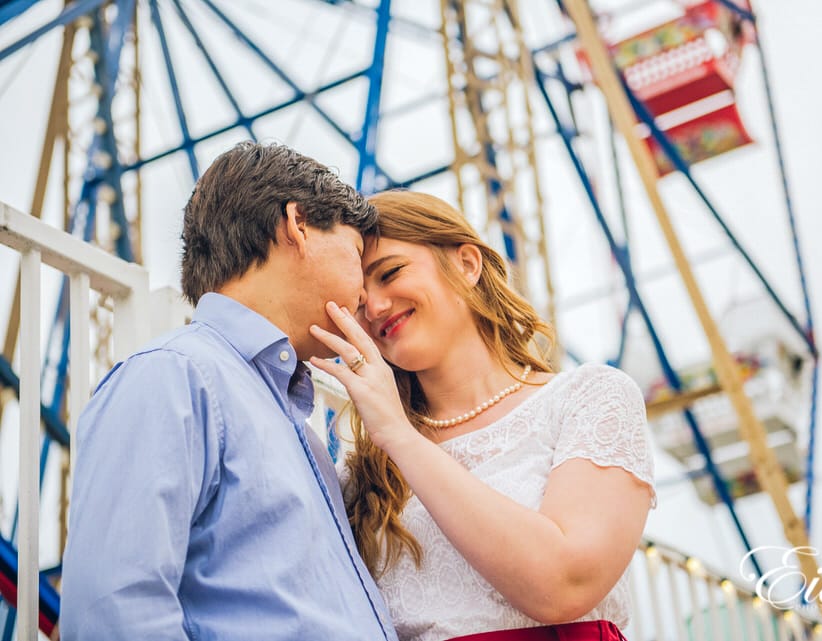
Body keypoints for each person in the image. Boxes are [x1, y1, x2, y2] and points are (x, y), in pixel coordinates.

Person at [60, 142, 398, 640]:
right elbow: (114, 610)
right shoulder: (172, 377)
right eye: (354, 256)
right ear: (298, 225)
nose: (366, 297)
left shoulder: (290, 423)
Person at [309, 191, 657, 641]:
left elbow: (565, 585)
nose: (374, 308)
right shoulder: (363, 472)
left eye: (390, 273)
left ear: (468, 264)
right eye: (357, 302)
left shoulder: (589, 398)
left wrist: (400, 435)